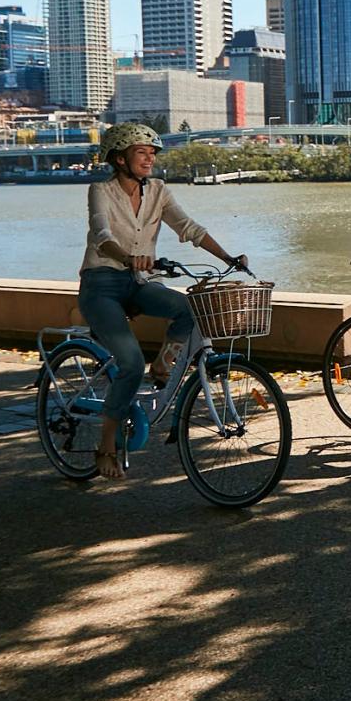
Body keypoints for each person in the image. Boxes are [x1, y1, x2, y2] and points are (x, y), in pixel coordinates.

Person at [79, 123, 247, 480]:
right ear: (120, 158)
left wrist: (229, 258)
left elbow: (189, 228)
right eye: (143, 152)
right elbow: (101, 233)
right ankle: (105, 447)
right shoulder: (101, 190)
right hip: (102, 285)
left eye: (153, 153)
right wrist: (126, 258)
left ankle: (163, 364)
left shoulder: (158, 190)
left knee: (189, 309)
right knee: (129, 363)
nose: (150, 159)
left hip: (139, 282)